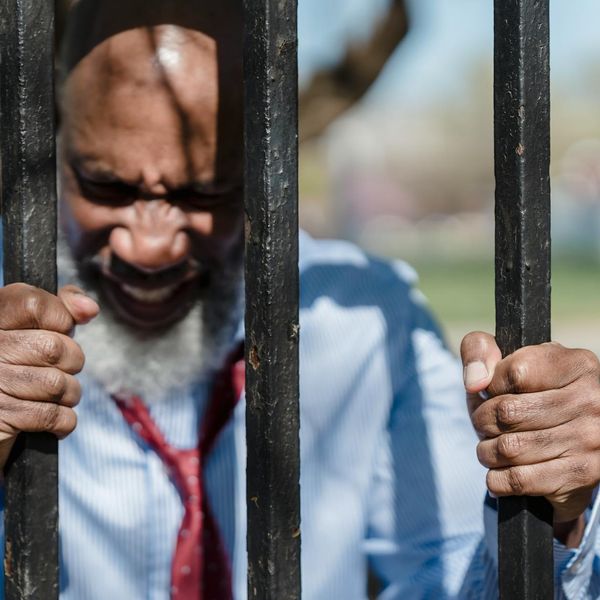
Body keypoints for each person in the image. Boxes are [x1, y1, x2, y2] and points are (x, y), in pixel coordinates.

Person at [1, 1, 599, 597]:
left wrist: (557, 513)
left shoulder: (364, 315)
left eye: (205, 194)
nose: (149, 244)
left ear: (269, 167)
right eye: (107, 186)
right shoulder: (9, 317)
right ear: (55, 146)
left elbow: (446, 570)